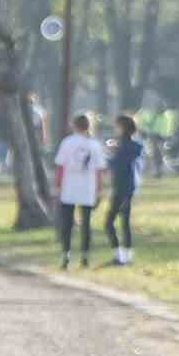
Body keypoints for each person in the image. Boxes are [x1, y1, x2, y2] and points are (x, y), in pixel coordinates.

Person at [53, 111, 107, 270]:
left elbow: (61, 168)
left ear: (74, 125)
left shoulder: (67, 143)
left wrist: (58, 186)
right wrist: (99, 189)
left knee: (67, 223)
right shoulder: (94, 145)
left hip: (69, 186)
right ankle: (85, 256)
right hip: (87, 187)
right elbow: (99, 171)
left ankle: (66, 255)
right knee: (86, 223)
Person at [105, 113, 144, 266]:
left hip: (124, 188)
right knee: (123, 222)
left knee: (111, 222)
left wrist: (110, 153)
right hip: (125, 187)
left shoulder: (129, 146)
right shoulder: (131, 145)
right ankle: (125, 255)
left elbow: (116, 164)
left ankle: (121, 255)